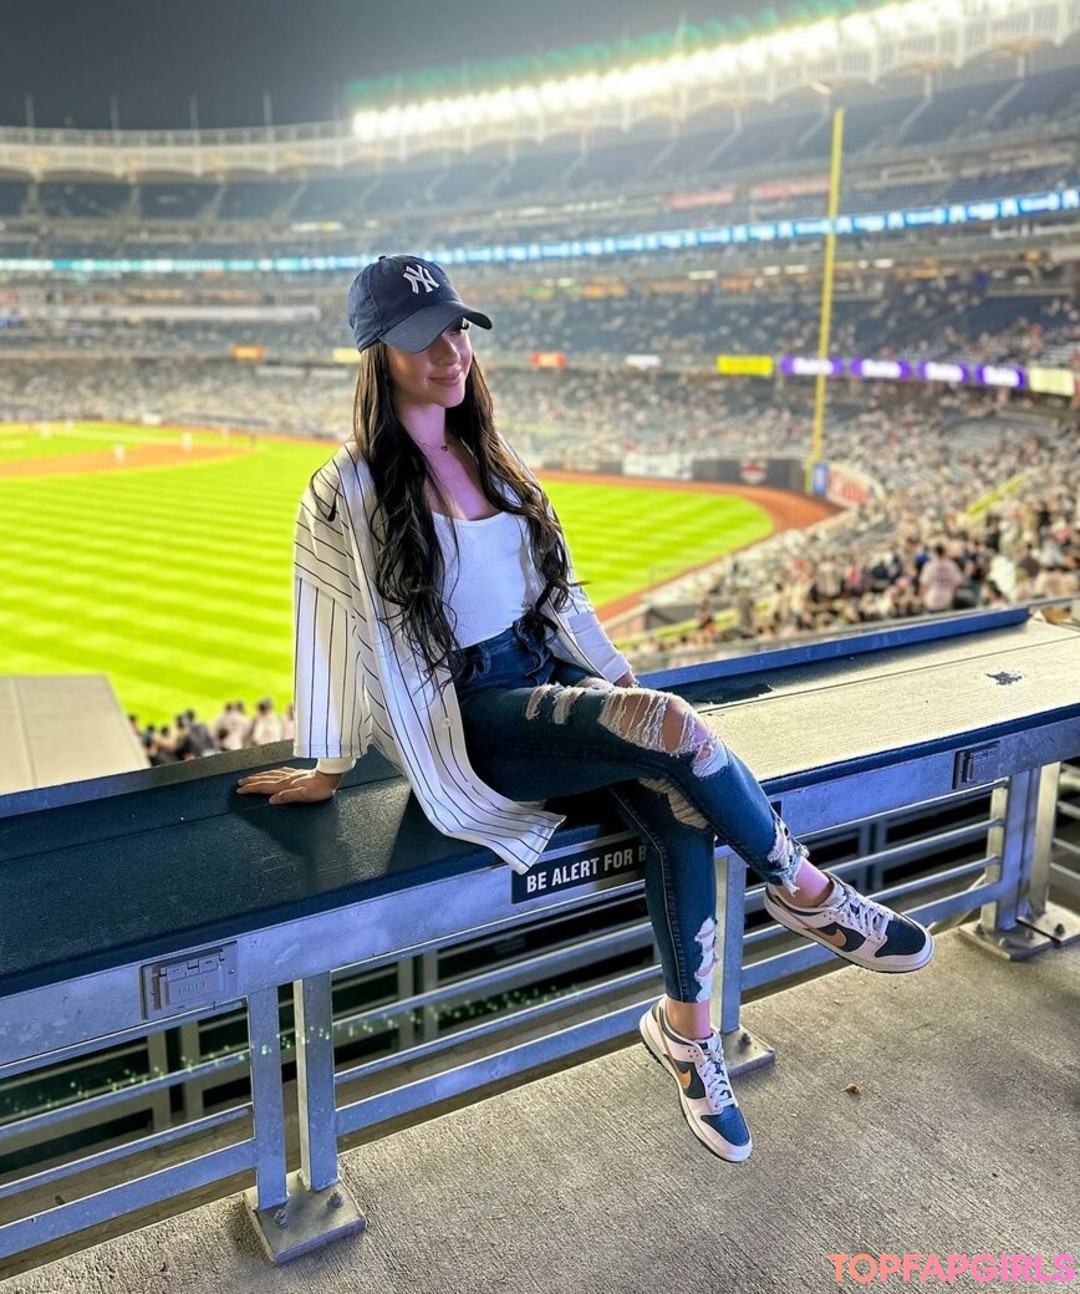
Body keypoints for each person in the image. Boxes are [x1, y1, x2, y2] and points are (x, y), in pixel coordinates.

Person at [237, 254, 934, 1164]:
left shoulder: (494, 457)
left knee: (680, 801)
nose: (451, 351)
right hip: (473, 715)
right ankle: (804, 889)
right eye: (423, 337)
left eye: (458, 329)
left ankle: (686, 1034)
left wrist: (615, 680)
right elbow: (330, 622)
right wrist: (328, 767)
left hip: (548, 675)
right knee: (668, 726)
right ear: (379, 354)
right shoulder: (346, 488)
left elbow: (559, 597)